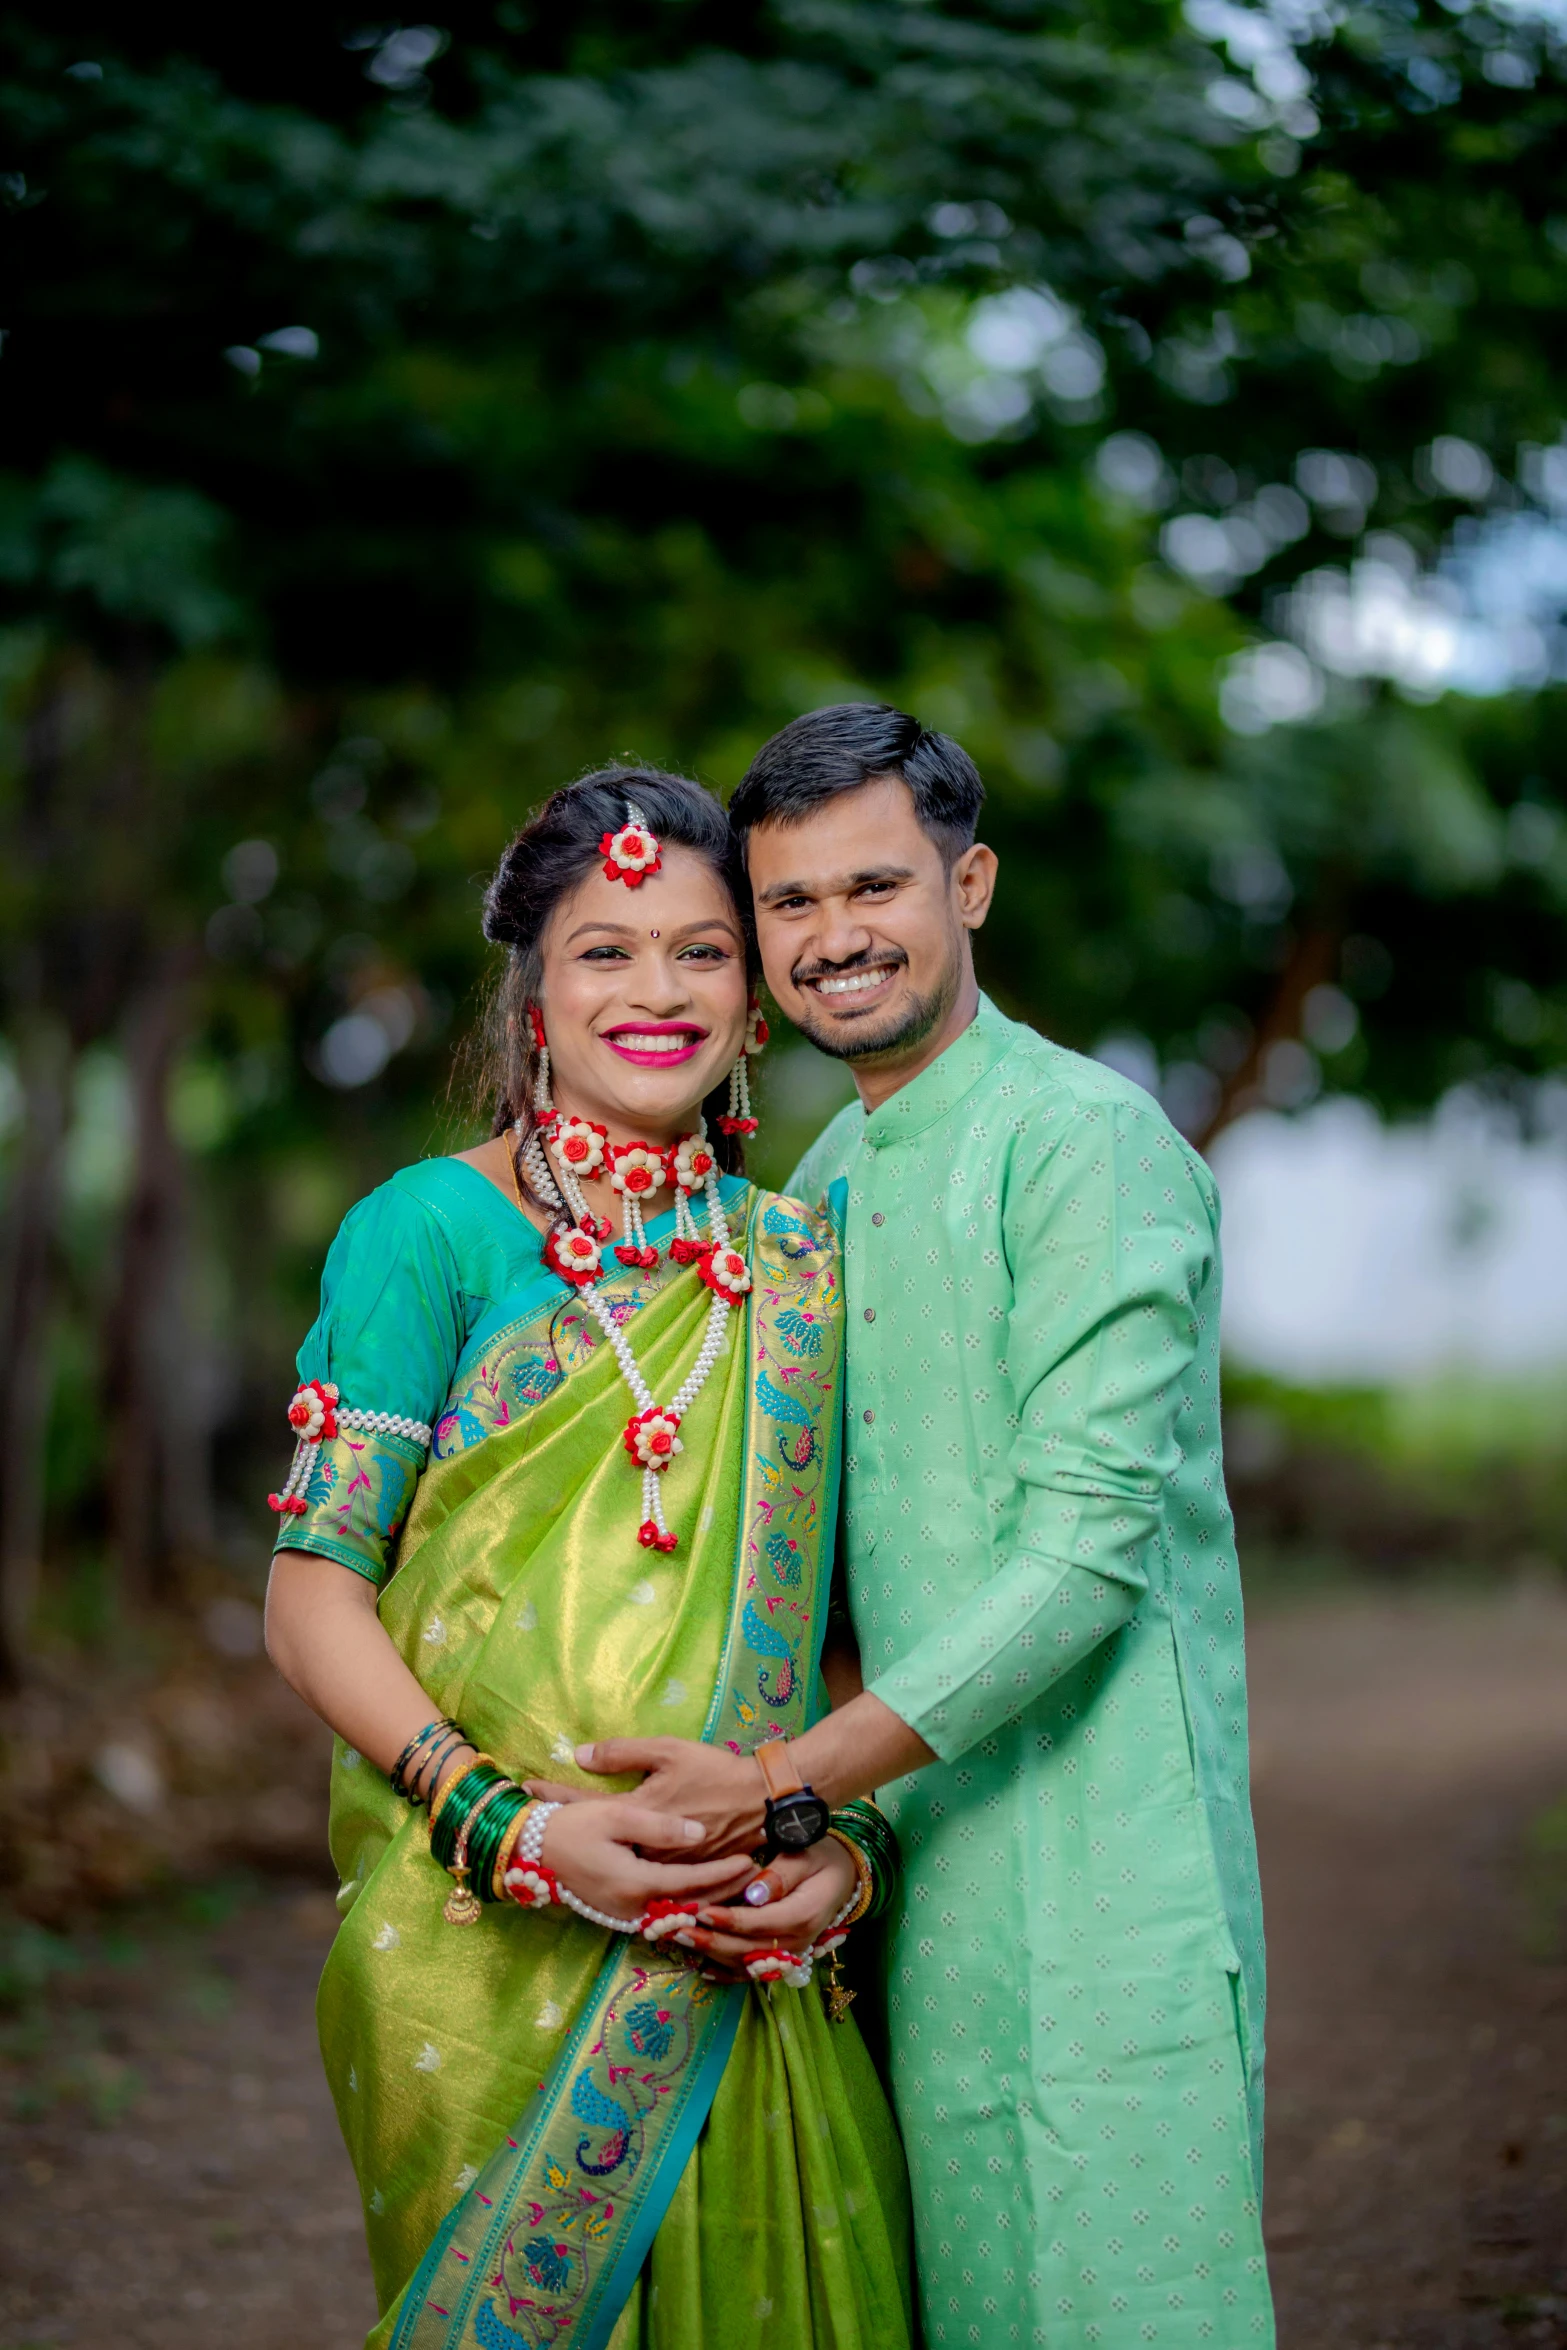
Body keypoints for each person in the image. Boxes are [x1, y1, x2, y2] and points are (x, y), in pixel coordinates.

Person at [576, 707, 1276, 2346]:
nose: (831, 941)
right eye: (791, 905)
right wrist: (848, 1837)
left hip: (1111, 1873)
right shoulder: (817, 1186)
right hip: (914, 1868)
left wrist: (779, 1787)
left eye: (871, 888)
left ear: (967, 884)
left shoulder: (1085, 1144)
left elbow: (1085, 1550)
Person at [263, 766, 912, 2350]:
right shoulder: (426, 1233)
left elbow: (873, 1634)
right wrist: (515, 1823)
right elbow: (309, 1587)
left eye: (699, 950)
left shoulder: (801, 1262)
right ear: (534, 1000)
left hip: (750, 1926)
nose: (656, 989)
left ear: (755, 1003)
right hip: (479, 1938)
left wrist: (844, 1846)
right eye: (603, 949)